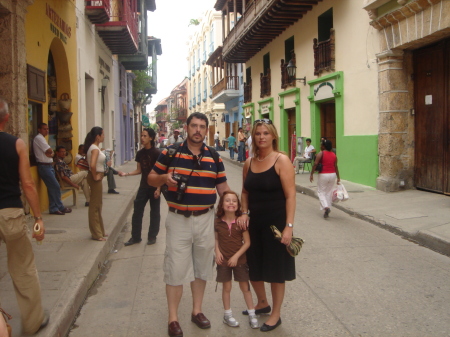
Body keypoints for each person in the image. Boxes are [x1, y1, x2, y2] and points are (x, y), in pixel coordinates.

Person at [148, 112, 230, 337]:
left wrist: (235, 209)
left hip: (205, 219)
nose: (198, 130)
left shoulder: (214, 156)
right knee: (175, 268)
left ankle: (197, 311)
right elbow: (151, 178)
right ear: (186, 127)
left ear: (206, 129)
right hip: (178, 219)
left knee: (202, 267)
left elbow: (223, 188)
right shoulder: (170, 152)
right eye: (194, 126)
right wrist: (164, 179)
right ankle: (173, 318)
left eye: (202, 126)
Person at [238, 118, 296, 332]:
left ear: (273, 136)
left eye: (265, 133)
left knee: (275, 270)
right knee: (254, 266)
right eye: (258, 133)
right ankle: (262, 302)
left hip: (276, 225)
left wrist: (289, 226)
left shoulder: (281, 160)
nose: (261, 137)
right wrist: (244, 212)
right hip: (254, 225)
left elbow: (290, 196)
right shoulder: (249, 163)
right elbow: (245, 192)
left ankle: (276, 314)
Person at [0, 98, 49, 335]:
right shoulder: (16, 144)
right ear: (7, 117)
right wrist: (38, 217)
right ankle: (32, 322)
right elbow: (28, 184)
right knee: (23, 268)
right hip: (10, 212)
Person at [214, 191, 259, 329]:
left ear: (238, 204)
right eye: (227, 200)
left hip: (239, 260)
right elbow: (216, 238)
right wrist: (217, 251)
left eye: (234, 201)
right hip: (223, 261)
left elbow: (247, 242)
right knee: (226, 287)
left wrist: (236, 256)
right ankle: (227, 314)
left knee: (245, 287)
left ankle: (252, 313)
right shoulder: (217, 221)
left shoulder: (241, 221)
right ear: (222, 204)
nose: (231, 203)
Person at [121, 128, 161, 246]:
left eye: (145, 136)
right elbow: (139, 170)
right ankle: (135, 237)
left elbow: (161, 173)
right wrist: (126, 174)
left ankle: (152, 236)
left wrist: (158, 189)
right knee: (137, 211)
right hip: (143, 187)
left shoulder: (157, 153)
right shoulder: (140, 153)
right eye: (141, 135)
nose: (142, 138)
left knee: (154, 212)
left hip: (154, 187)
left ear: (151, 138)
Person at [33, 123, 71, 215]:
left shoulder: (43, 138)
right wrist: (51, 153)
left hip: (48, 165)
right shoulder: (39, 138)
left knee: (52, 187)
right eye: (44, 129)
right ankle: (58, 207)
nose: (47, 131)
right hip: (44, 166)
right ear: (39, 129)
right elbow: (49, 151)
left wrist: (51, 153)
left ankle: (54, 207)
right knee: (55, 186)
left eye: (47, 129)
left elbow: (50, 152)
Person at [84, 127, 107, 241]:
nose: (104, 136)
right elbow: (92, 165)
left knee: (98, 204)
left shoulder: (95, 148)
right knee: (94, 205)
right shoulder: (95, 149)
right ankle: (96, 233)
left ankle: (100, 230)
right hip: (95, 177)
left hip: (97, 176)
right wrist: (95, 176)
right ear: (98, 136)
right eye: (103, 134)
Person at [310, 139, 340, 218]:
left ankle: (326, 207)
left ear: (324, 146)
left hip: (323, 174)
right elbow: (336, 166)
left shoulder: (321, 154)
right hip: (333, 174)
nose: (320, 146)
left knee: (321, 191)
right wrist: (338, 177)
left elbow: (315, 164)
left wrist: (311, 174)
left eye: (321, 145)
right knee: (328, 192)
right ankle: (328, 207)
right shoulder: (334, 155)